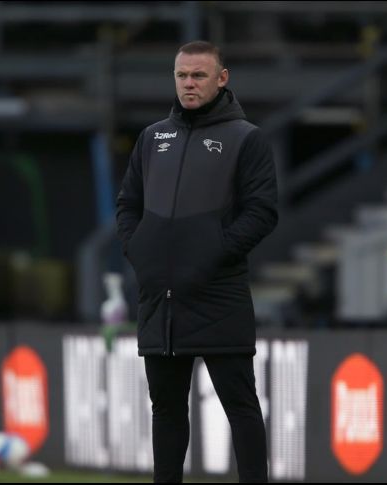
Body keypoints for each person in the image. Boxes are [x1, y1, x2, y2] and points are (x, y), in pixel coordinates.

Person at [115, 41, 277, 483]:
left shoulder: (247, 138)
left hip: (217, 291)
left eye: (199, 75)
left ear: (222, 78)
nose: (189, 83)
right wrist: (141, 252)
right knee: (166, 410)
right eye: (182, 75)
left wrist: (211, 255)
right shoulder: (152, 138)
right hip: (160, 298)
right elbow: (128, 205)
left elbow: (262, 212)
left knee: (240, 405)